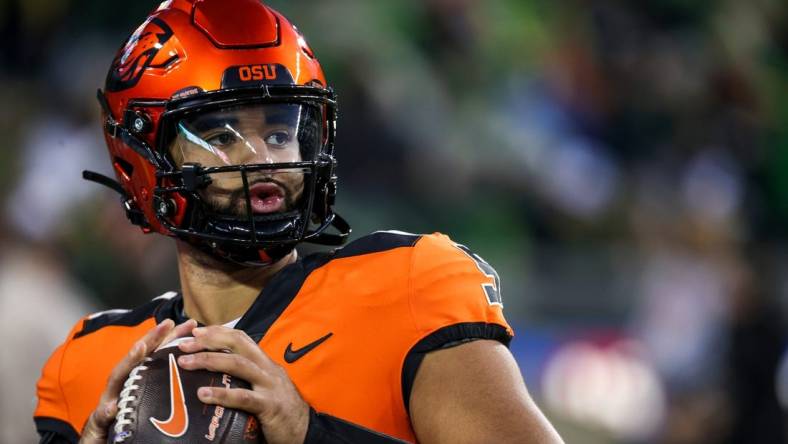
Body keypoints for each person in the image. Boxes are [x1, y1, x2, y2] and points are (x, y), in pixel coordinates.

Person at [34, 1, 564, 443]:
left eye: (281, 132)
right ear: (144, 162)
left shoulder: (406, 288)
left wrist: (309, 432)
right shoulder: (88, 363)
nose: (263, 159)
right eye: (220, 138)